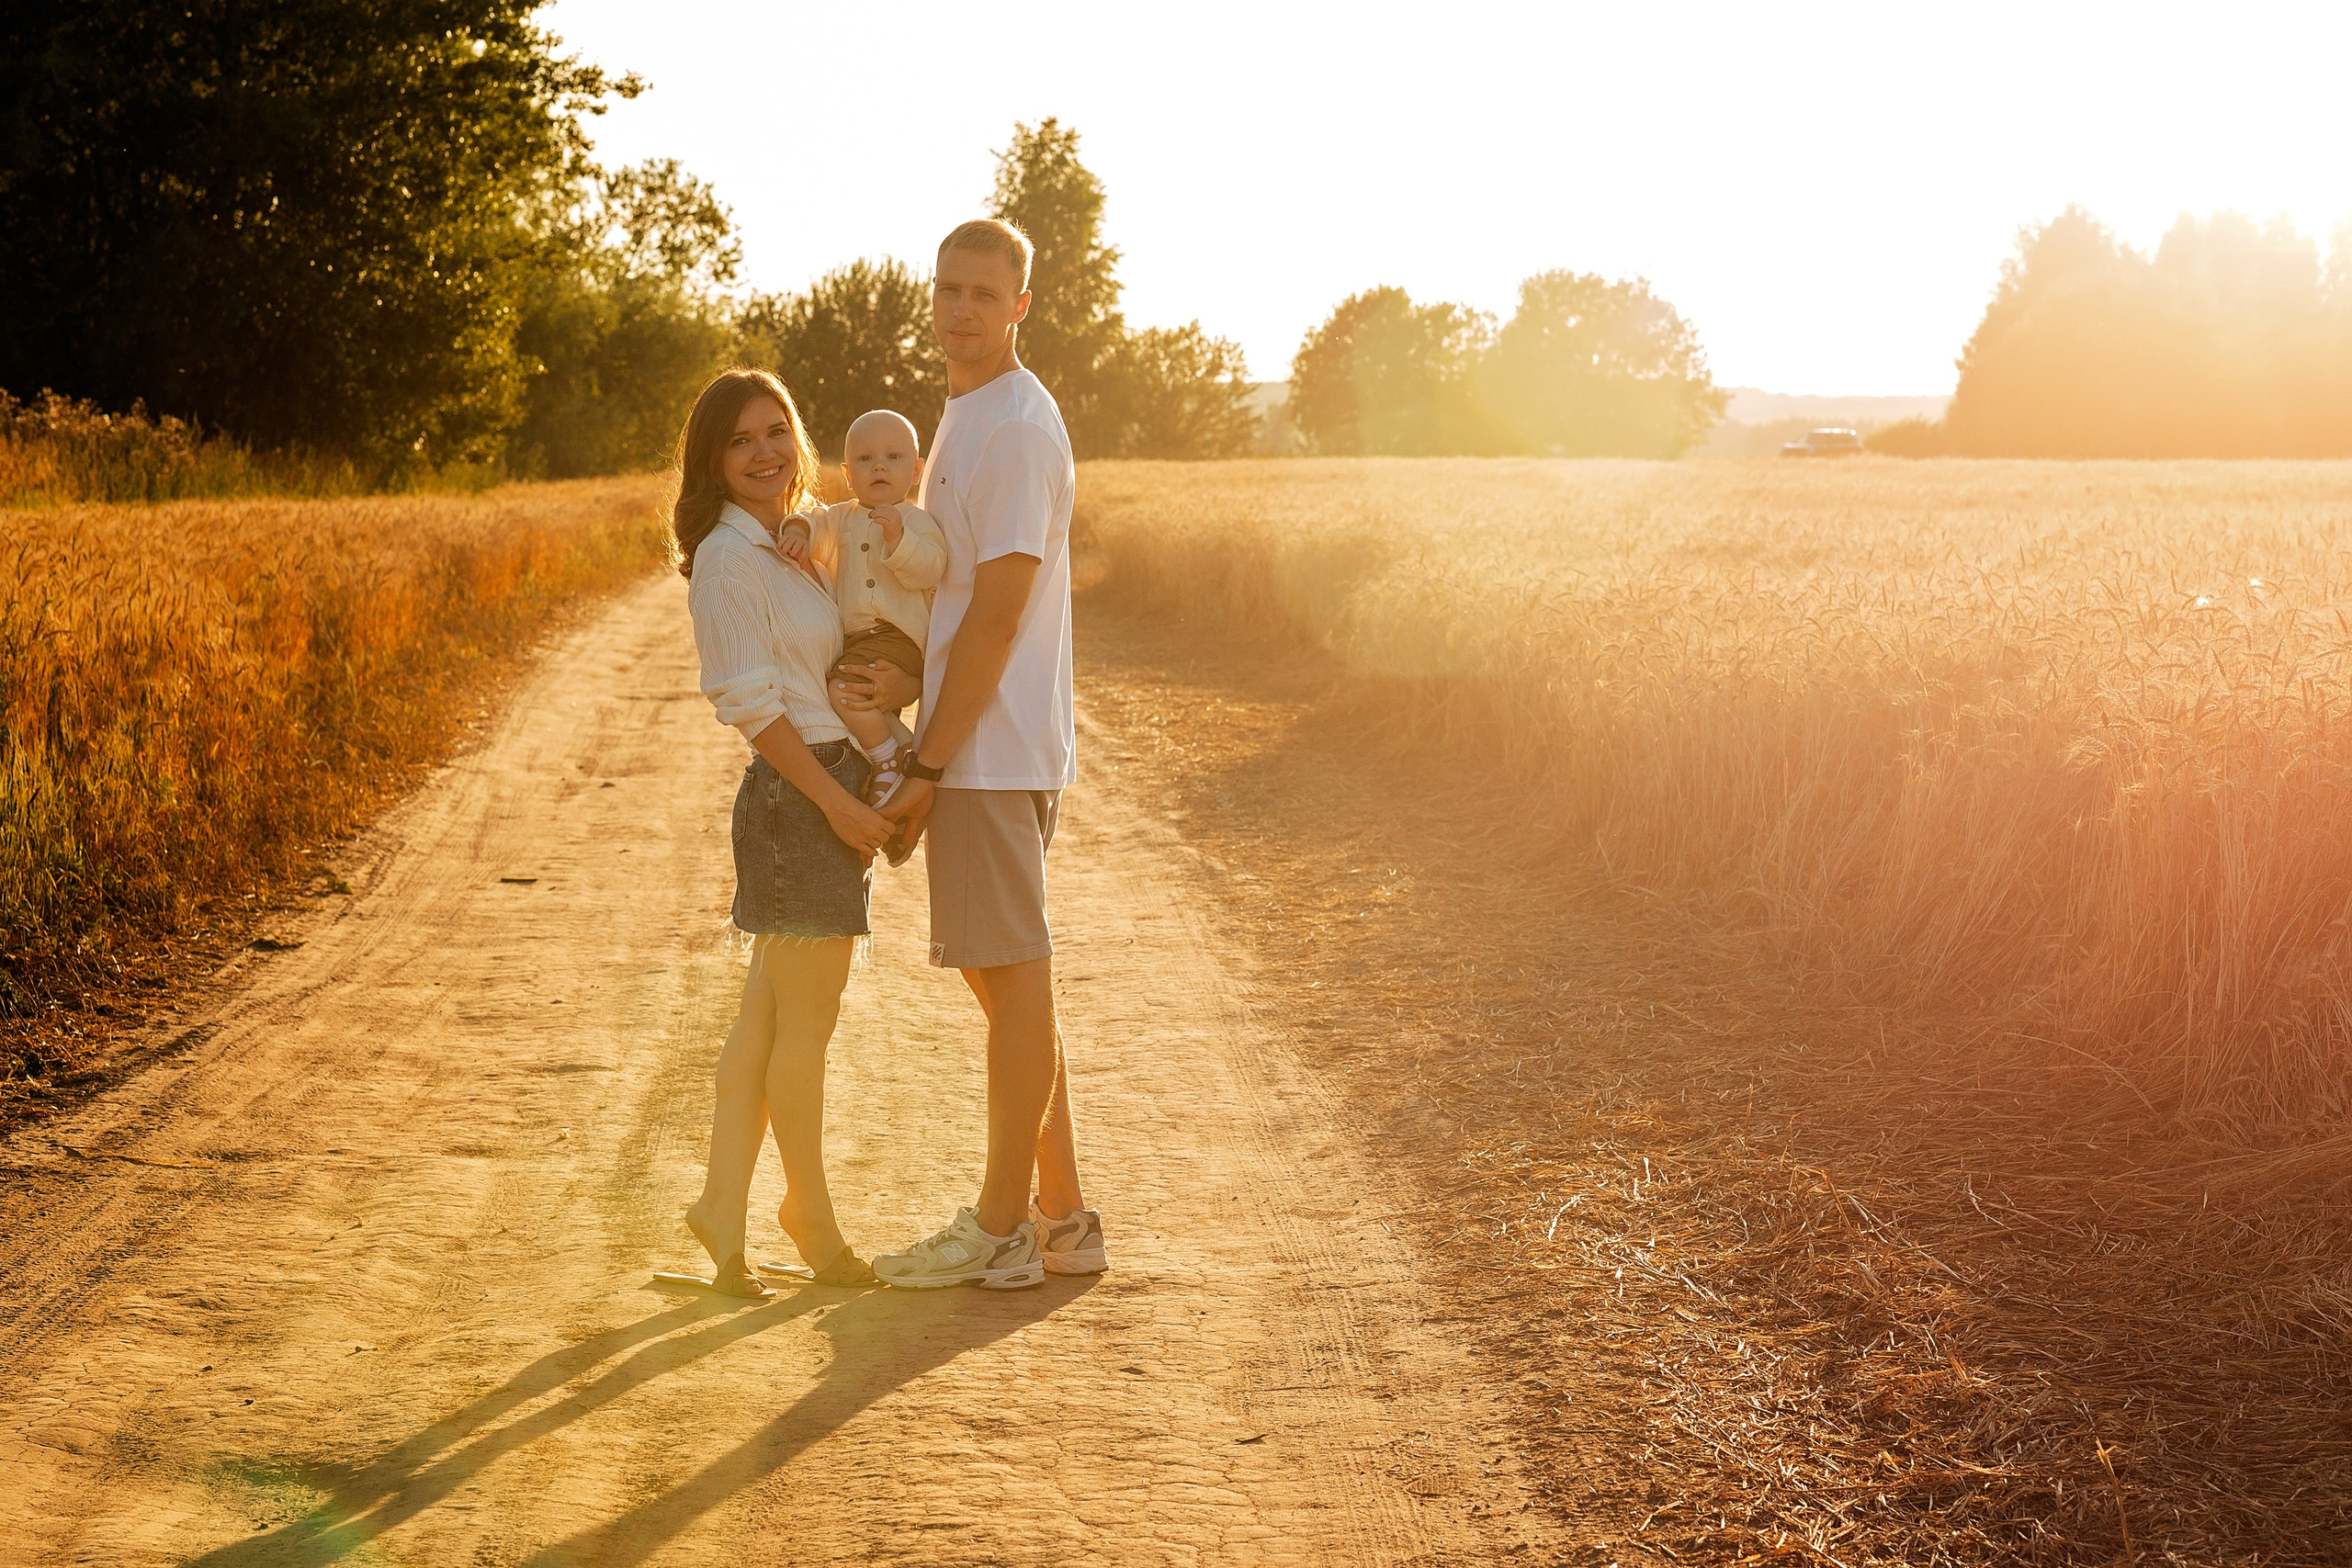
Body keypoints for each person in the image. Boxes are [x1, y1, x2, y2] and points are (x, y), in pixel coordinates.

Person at [863, 219, 1106, 1291]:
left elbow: (999, 617)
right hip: (985, 747)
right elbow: (957, 598)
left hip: (989, 752)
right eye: (947, 289)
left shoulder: (1010, 429)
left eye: (983, 293)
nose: (961, 309)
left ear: (1020, 307)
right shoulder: (969, 412)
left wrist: (926, 764)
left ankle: (1001, 1229)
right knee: (1008, 991)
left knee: (1015, 984)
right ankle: (1063, 1218)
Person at [673, 367, 894, 1295]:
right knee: (805, 1028)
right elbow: (752, 706)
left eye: (775, 431)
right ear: (713, 462)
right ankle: (809, 1215)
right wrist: (837, 804)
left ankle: (721, 1207)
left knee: (765, 1021)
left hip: (820, 785)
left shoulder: (790, 542)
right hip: (799, 797)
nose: (763, 452)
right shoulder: (728, 560)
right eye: (740, 440)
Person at [776, 408, 947, 823]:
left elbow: (932, 570)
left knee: (843, 688)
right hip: (860, 639)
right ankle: (898, 745)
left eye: (893, 457)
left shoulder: (918, 521)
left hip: (901, 635)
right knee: (857, 694)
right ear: (848, 474)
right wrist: (797, 531)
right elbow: (813, 521)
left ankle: (887, 758)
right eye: (866, 459)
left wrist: (898, 539)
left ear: (916, 471)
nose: (879, 467)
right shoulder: (842, 517)